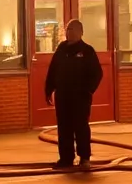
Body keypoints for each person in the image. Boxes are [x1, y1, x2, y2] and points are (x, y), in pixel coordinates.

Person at [44, 19, 104, 169]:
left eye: (73, 29)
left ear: (81, 32)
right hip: (63, 95)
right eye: (67, 29)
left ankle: (84, 158)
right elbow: (53, 70)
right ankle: (66, 158)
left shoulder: (87, 51)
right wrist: (48, 90)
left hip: (80, 97)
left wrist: (88, 90)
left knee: (81, 127)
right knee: (64, 127)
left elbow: (97, 73)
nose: (69, 32)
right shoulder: (61, 49)